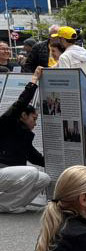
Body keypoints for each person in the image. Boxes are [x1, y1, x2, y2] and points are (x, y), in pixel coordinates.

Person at [0, 67, 50, 212]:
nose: (35, 123)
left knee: (44, 178)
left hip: (9, 174)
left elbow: (36, 157)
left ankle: (7, 203)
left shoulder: (25, 136)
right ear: (23, 116)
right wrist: (34, 80)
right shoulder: (6, 124)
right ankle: (6, 205)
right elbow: (20, 104)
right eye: (34, 119)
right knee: (32, 173)